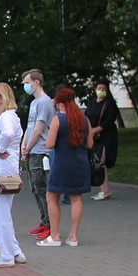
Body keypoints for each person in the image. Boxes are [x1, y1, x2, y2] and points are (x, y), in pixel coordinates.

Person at [37, 87, 93, 248]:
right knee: (76, 199)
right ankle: (73, 237)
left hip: (61, 164)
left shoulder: (58, 119)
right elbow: (90, 144)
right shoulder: (84, 119)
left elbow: (49, 144)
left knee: (52, 197)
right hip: (80, 164)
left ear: (60, 103)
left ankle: (54, 236)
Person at [0, 83, 26, 266]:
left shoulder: (6, 117)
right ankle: (14, 251)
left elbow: (8, 133)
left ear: (2, 98)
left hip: (0, 167)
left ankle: (7, 254)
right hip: (2, 167)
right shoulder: (4, 117)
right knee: (1, 211)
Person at [19, 70, 53, 240]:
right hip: (32, 150)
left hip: (40, 151)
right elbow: (30, 127)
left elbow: (39, 130)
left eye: (27, 82)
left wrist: (29, 147)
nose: (26, 85)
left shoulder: (45, 103)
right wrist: (24, 146)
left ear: (36, 82)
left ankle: (50, 224)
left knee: (41, 188)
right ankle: (44, 221)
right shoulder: (34, 103)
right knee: (34, 188)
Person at [85, 80, 120, 200]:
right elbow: (87, 116)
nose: (101, 90)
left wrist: (95, 130)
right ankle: (105, 189)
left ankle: (105, 190)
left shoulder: (110, 104)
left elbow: (109, 121)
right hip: (95, 137)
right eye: (99, 88)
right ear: (95, 89)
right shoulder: (92, 103)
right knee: (98, 161)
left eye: (104, 89)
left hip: (106, 137)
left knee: (101, 161)